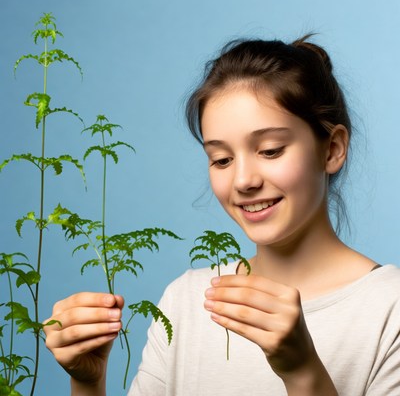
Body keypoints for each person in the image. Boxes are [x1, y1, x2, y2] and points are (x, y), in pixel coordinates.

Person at [44, 35, 400, 395]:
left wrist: (303, 372)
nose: (243, 181)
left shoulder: (389, 309)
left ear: (333, 149)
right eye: (222, 160)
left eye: (271, 150)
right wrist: (87, 383)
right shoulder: (187, 300)